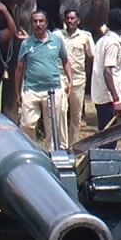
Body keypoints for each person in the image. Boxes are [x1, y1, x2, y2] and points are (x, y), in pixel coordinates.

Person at [15, 10, 72, 147]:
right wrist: (18, 92)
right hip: (31, 89)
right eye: (35, 21)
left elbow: (65, 61)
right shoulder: (26, 44)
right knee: (27, 124)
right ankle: (31, 151)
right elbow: (19, 68)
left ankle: (53, 155)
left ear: (46, 23)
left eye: (41, 21)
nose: (38, 24)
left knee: (53, 125)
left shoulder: (57, 41)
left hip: (53, 90)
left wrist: (70, 80)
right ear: (31, 24)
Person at [90, 10, 121, 148]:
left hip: (102, 94)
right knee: (109, 138)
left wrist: (120, 90)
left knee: (105, 134)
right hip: (107, 98)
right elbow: (107, 71)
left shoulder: (102, 40)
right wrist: (116, 99)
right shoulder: (113, 43)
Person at [60, 9, 95, 144]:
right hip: (61, 78)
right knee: (61, 111)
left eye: (73, 18)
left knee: (76, 115)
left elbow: (92, 56)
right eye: (68, 18)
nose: (70, 21)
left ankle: (73, 145)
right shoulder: (57, 35)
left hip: (79, 79)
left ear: (78, 21)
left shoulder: (85, 36)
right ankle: (62, 145)